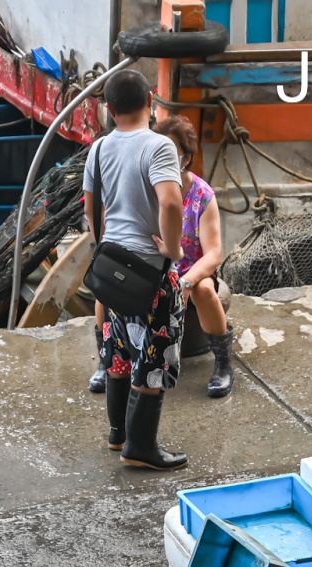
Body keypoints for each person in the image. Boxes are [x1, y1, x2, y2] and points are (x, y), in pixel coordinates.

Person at [83, 68, 188, 470]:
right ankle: (141, 448)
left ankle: (118, 435)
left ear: (110, 110)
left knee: (119, 347)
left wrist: (104, 245)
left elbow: (91, 206)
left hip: (114, 268)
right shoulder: (159, 146)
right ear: (150, 101)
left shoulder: (98, 149)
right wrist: (173, 249)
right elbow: (171, 202)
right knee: (155, 355)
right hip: (151, 272)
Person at [155, 115, 233, 399]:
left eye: (170, 154)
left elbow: (214, 254)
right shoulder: (148, 187)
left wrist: (185, 283)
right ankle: (110, 361)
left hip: (193, 272)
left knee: (203, 290)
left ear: (186, 158)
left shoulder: (202, 195)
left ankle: (223, 363)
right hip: (155, 268)